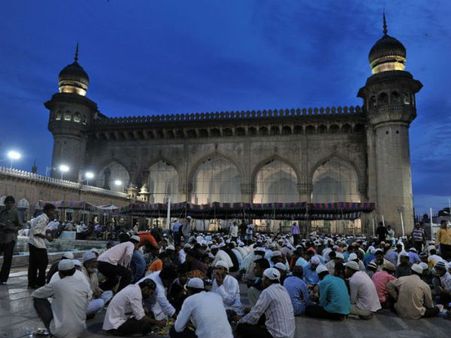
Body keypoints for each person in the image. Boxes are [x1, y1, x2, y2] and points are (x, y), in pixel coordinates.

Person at [32, 260, 91, 338]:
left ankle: (51, 328)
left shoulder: (56, 285)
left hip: (61, 332)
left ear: (59, 273)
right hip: (81, 329)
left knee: (37, 299)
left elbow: (36, 294)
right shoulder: (83, 284)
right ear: (74, 271)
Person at [236, 268, 295, 338]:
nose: (262, 281)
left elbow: (255, 314)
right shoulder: (284, 290)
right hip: (290, 335)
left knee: (241, 327)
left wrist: (240, 321)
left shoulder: (267, 292)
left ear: (267, 280)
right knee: (260, 319)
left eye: (263, 278)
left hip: (275, 336)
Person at [28, 203, 56, 288]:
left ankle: (32, 283)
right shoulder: (43, 219)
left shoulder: (41, 218)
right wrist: (47, 237)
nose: (53, 213)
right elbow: (36, 232)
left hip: (33, 243)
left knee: (34, 265)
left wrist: (47, 231)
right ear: (46, 211)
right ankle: (40, 283)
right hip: (37, 244)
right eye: (52, 211)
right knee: (43, 263)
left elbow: (38, 229)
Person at [81, 251, 114, 318]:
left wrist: (99, 290)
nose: (96, 264)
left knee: (109, 293)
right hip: (82, 303)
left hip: (92, 297)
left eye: (96, 261)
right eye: (94, 262)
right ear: (87, 263)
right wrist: (94, 293)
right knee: (100, 302)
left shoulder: (93, 272)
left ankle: (91, 311)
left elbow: (96, 286)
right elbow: (83, 294)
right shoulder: (81, 275)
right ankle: (87, 314)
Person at [0, 196, 21, 285]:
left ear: (13, 204)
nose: (8, 204)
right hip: (1, 238)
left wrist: (12, 228)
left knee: (7, 259)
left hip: (10, 238)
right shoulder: (2, 212)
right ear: (5, 203)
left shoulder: (15, 213)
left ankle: (3, 279)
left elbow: (20, 225)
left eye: (10, 202)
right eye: (7, 202)